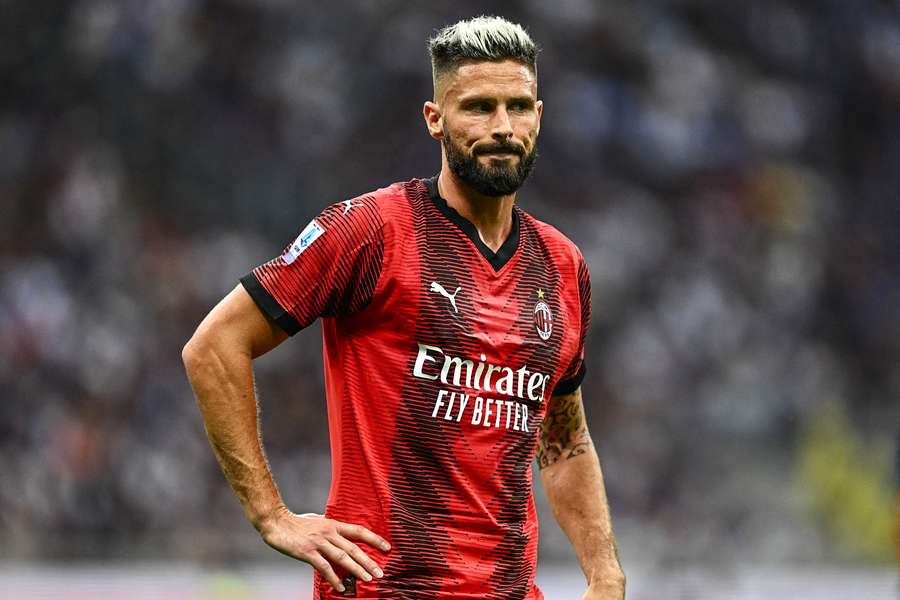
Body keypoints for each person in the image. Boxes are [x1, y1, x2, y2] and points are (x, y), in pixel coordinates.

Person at [182, 15, 624, 600]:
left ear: (538, 118)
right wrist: (273, 516)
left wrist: (604, 574)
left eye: (518, 107)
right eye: (478, 107)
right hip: (383, 589)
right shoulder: (370, 231)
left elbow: (564, 440)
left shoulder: (563, 265)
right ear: (434, 120)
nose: (502, 127)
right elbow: (213, 346)